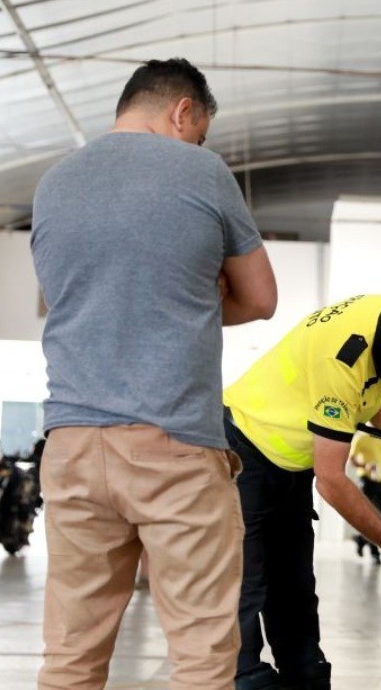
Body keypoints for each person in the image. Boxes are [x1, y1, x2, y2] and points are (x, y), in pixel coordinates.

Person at [30, 58, 277, 690]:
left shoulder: (54, 183)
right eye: (199, 132)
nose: (197, 144)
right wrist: (192, 295)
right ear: (183, 112)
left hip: (73, 445)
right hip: (175, 446)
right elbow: (260, 299)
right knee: (199, 653)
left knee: (71, 655)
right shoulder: (202, 170)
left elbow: (57, 302)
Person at [223, 294, 381, 690]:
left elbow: (373, 382)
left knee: (294, 596)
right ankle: (244, 679)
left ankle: (305, 678)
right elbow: (332, 481)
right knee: (247, 591)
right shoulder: (342, 356)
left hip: (290, 463)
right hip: (245, 449)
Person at [349, 433, 381, 563]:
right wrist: (365, 466)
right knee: (369, 516)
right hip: (366, 480)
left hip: (380, 482)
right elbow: (351, 459)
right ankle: (375, 553)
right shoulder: (362, 438)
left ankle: (361, 540)